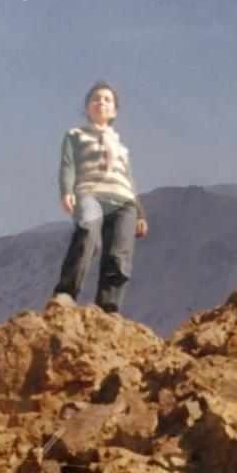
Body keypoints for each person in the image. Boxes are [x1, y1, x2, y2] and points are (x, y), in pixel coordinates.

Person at [51, 81, 148, 313]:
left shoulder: (121, 146)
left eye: (107, 99)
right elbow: (67, 165)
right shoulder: (75, 135)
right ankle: (65, 294)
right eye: (95, 99)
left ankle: (108, 306)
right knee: (87, 235)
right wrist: (66, 191)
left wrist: (140, 213)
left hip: (123, 201)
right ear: (87, 108)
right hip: (89, 193)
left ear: (114, 111)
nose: (101, 102)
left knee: (119, 253)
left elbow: (129, 180)